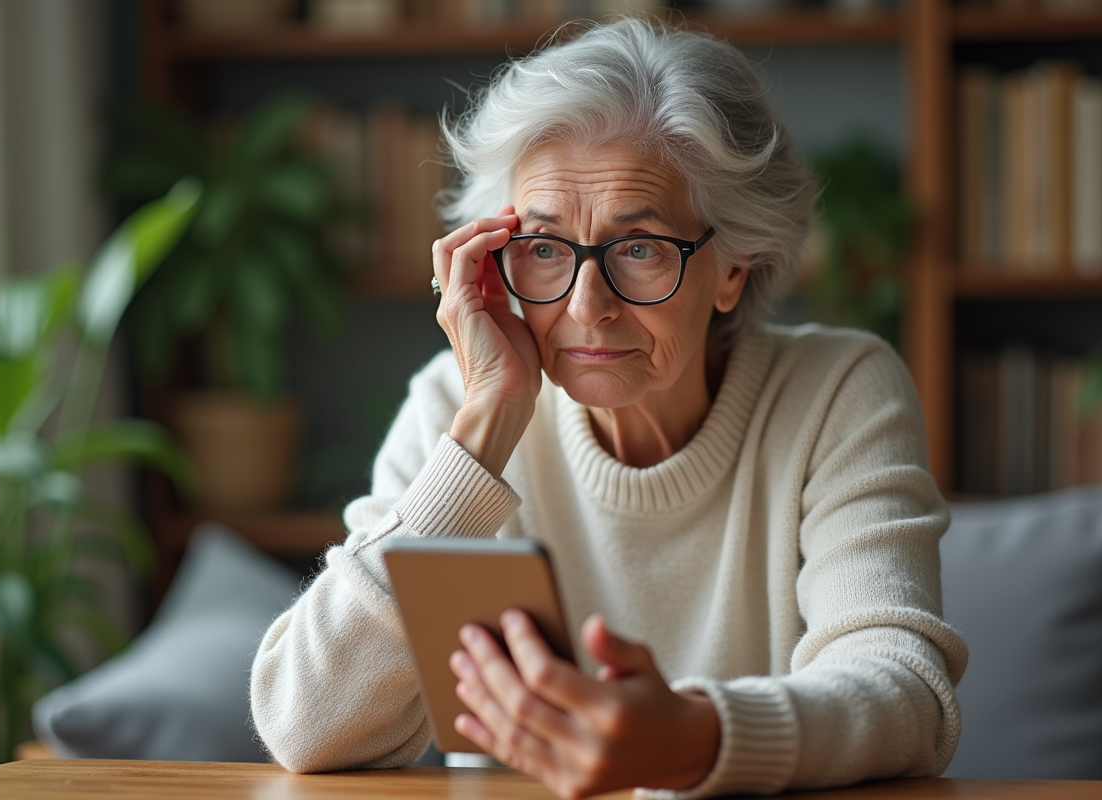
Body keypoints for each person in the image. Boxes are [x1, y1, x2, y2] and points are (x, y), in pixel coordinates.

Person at [250, 17, 967, 800]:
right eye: (546, 248)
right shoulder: (455, 404)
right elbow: (305, 728)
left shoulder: (836, 392)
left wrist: (692, 740)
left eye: (640, 248)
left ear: (732, 269)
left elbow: (907, 696)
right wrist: (485, 428)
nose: (588, 309)